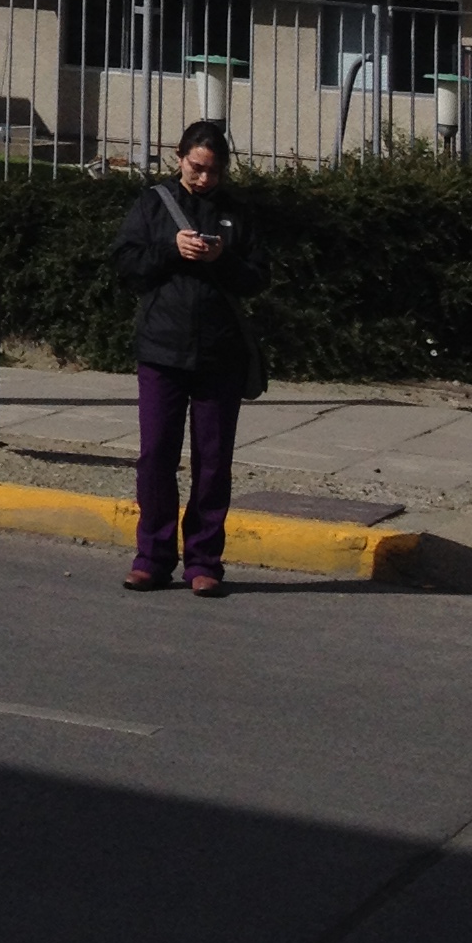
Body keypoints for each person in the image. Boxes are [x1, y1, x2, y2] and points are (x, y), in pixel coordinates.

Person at [111, 118, 267, 596]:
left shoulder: (237, 213)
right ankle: (152, 557)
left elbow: (259, 277)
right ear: (179, 157)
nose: (204, 179)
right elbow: (125, 265)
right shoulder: (153, 204)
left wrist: (224, 258)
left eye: (214, 171)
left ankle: (204, 562)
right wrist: (170, 248)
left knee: (213, 461)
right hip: (162, 350)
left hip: (220, 355)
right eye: (197, 168)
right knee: (156, 455)